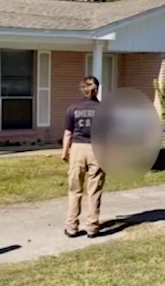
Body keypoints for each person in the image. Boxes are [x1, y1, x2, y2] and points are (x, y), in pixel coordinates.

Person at [61, 76, 105, 239]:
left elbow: (68, 133)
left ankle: (71, 227)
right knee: (94, 190)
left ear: (82, 89)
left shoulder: (73, 108)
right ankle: (92, 227)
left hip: (77, 149)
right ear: (97, 90)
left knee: (75, 190)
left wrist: (65, 152)